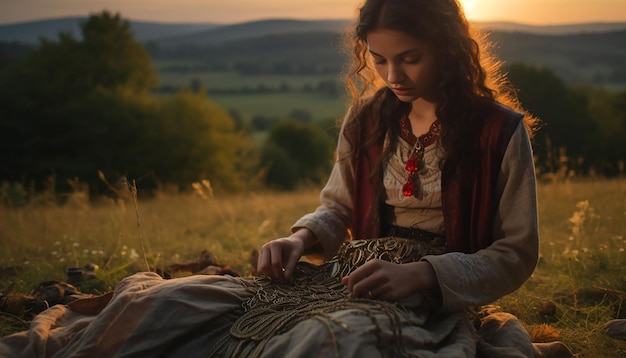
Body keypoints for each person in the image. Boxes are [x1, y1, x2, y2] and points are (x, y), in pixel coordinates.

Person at [0, 0, 574, 357]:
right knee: (168, 304)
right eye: (378, 59)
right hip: (344, 273)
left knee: (323, 343)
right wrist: (299, 239)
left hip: (429, 296)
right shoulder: (370, 117)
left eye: (411, 58)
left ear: (448, 48)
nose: (392, 74)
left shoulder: (499, 131)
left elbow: (515, 253)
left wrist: (424, 275)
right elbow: (337, 209)